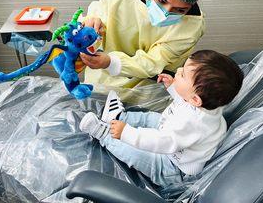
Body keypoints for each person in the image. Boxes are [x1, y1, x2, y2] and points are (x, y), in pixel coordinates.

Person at [79, 50, 244, 188]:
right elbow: (184, 104)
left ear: (195, 99)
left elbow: (162, 142)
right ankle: (119, 117)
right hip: (177, 138)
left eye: (183, 75)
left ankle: (104, 134)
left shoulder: (192, 124)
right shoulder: (206, 104)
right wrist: (174, 87)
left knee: (136, 153)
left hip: (172, 167)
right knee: (152, 118)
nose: (178, 70)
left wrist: (127, 133)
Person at [80, 0, 210, 88]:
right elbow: (101, 11)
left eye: (180, 10)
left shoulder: (191, 26)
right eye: (161, 0)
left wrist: (111, 62)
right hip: (102, 75)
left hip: (148, 87)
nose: (166, 12)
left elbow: (153, 62)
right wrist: (92, 22)